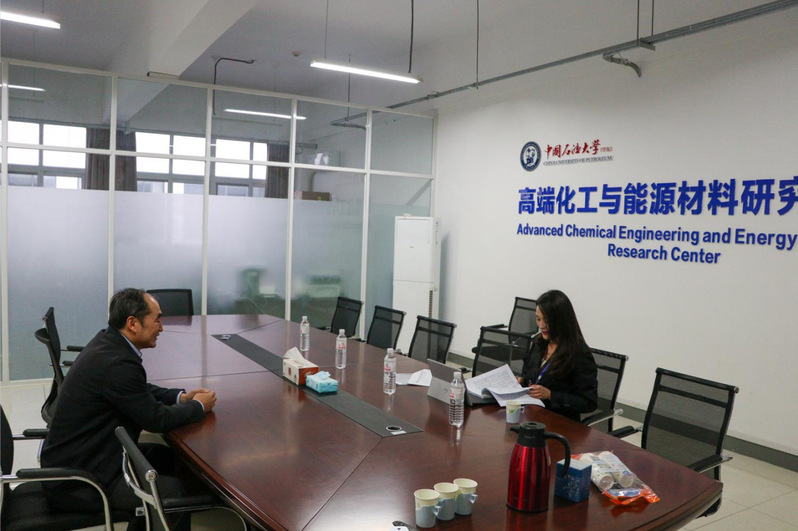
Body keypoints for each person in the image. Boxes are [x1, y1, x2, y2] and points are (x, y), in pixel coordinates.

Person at [41, 288, 217, 530]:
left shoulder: (108, 342)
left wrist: (180, 397)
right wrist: (198, 406)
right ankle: (167, 510)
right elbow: (156, 420)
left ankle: (147, 521)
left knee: (164, 456)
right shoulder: (117, 363)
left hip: (85, 457)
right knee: (174, 494)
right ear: (133, 323)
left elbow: (136, 389)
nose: (162, 327)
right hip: (81, 482)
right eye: (157, 320)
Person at [519, 290, 597, 421]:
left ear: (561, 321)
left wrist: (551, 395)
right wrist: (522, 380)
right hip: (532, 414)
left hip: (559, 420)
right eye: (538, 319)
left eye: (547, 321)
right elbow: (529, 374)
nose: (541, 325)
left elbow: (588, 402)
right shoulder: (538, 343)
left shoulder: (579, 354)